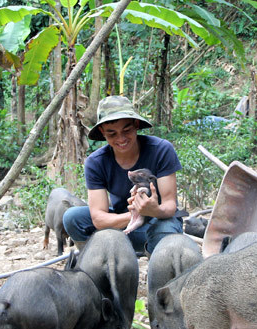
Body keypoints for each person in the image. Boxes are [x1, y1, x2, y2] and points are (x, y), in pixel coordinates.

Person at [63, 95, 184, 256]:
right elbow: (98, 218)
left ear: (136, 124)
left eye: (127, 130)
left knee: (165, 234)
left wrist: (152, 211)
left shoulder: (161, 150)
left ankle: (156, 258)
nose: (121, 139)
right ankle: (95, 262)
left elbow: (169, 206)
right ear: (102, 132)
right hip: (123, 223)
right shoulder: (96, 162)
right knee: (73, 217)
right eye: (112, 134)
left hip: (160, 222)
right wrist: (136, 215)